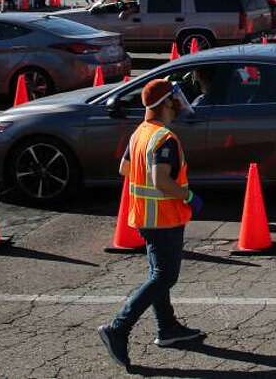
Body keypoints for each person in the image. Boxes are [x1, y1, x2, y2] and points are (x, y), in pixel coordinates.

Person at [98, 79, 205, 370]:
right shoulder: (164, 138)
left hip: (144, 217)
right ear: (165, 104)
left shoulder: (140, 133)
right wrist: (189, 195)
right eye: (174, 99)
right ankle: (118, 328)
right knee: (164, 276)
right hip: (164, 219)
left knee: (158, 274)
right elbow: (160, 180)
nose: (178, 103)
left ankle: (167, 328)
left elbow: (124, 169)